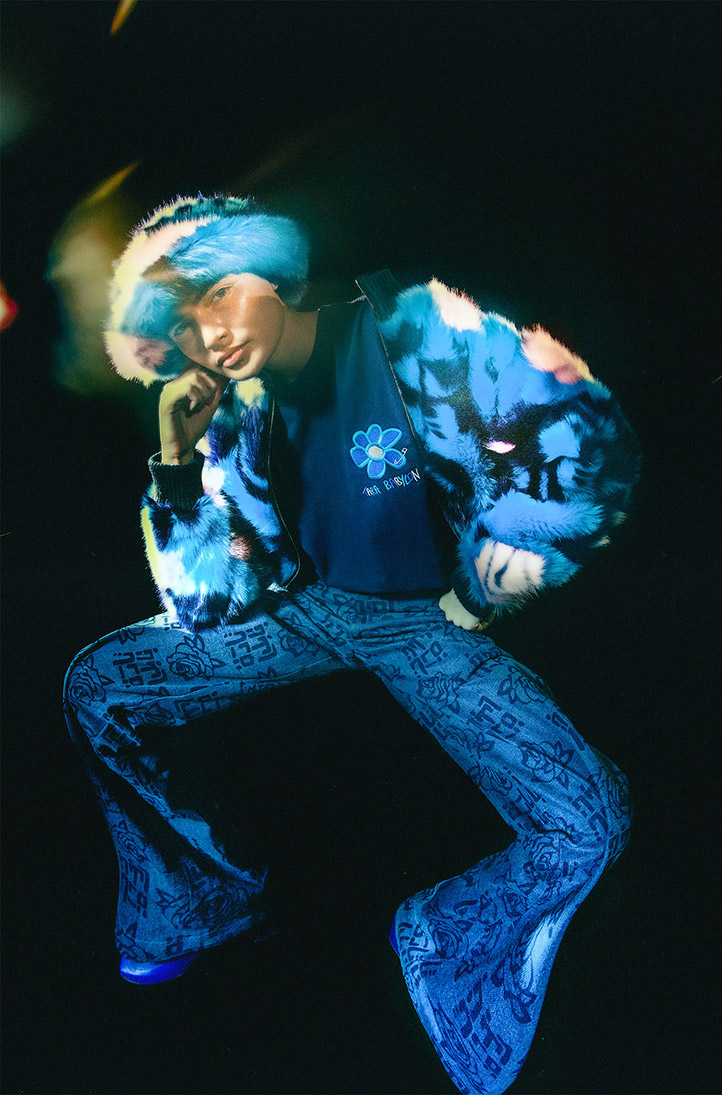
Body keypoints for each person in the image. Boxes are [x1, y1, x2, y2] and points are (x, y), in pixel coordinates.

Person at [63, 194, 640, 1095]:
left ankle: (441, 934)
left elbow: (589, 452)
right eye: (181, 326)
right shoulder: (236, 414)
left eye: (217, 295)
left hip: (421, 624)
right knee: (99, 684)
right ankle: (201, 902)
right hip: (301, 610)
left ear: (268, 270)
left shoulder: (415, 334)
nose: (208, 334)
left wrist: (483, 590)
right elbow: (206, 603)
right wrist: (174, 464)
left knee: (591, 824)